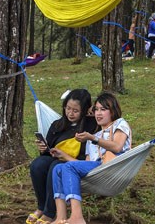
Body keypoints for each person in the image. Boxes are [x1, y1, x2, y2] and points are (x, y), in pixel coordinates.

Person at [50, 92, 131, 224]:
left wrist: (93, 138)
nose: (98, 113)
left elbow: (117, 147)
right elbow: (84, 165)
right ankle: (61, 217)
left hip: (114, 166)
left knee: (68, 167)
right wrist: (63, 156)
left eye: (103, 109)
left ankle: (77, 218)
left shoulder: (119, 124)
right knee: (58, 168)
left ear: (113, 111)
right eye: (96, 109)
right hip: (97, 170)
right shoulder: (93, 136)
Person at [27, 89, 97, 224]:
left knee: (56, 166)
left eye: (75, 111)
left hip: (77, 164)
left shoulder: (92, 125)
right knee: (38, 164)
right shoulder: (58, 124)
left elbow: (107, 116)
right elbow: (49, 151)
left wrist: (93, 112)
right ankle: (41, 207)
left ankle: (49, 213)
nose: (70, 113)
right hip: (57, 158)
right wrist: (43, 149)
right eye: (68, 108)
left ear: (85, 110)